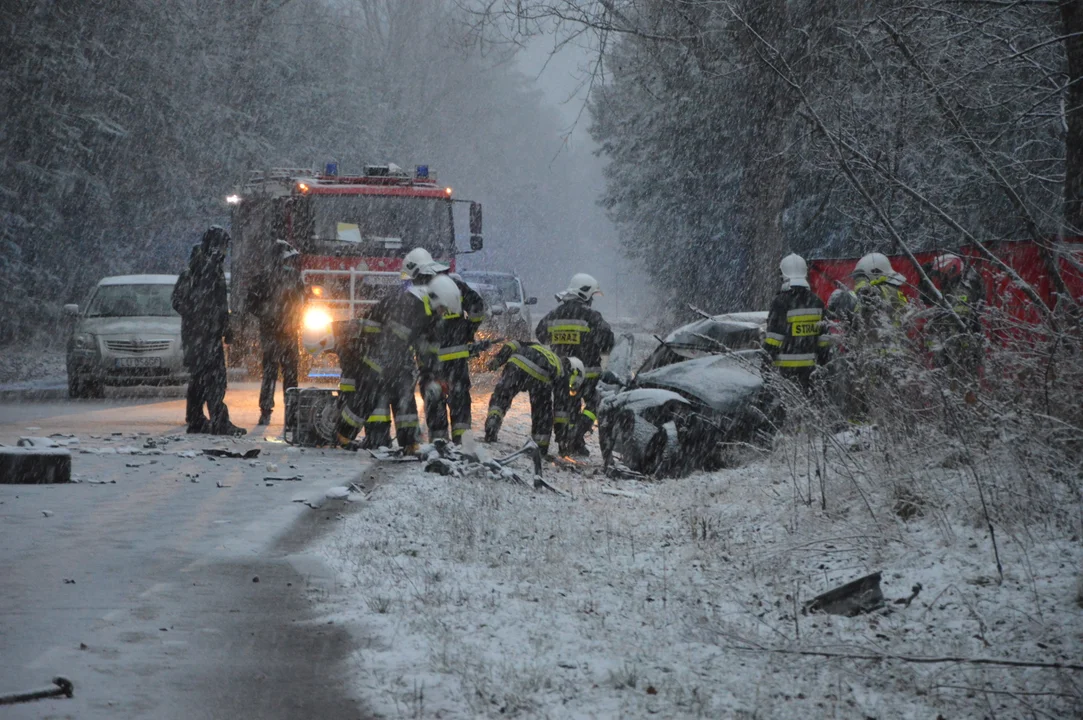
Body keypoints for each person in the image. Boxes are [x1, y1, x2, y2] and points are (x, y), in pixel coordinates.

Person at [332, 274, 461, 452]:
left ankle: (410, 443)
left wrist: (434, 376)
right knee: (368, 392)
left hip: (382, 349)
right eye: (443, 308)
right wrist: (392, 370)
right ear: (435, 299)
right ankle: (342, 435)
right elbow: (391, 343)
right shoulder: (408, 308)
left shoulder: (429, 315)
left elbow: (428, 350)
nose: (443, 312)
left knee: (404, 390)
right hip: (359, 345)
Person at [171, 226, 245, 436]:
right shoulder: (203, 269)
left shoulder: (204, 268)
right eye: (223, 246)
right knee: (214, 379)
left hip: (203, 334)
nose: (225, 252)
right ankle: (218, 421)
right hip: (202, 336)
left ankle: (196, 420)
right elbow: (181, 301)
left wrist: (224, 326)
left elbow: (218, 305)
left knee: (199, 379)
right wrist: (201, 319)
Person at [534, 273, 615, 457]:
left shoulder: (554, 314)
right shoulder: (591, 316)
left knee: (565, 407)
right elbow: (608, 343)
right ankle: (577, 434)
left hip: (561, 372)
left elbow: (541, 335)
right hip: (588, 373)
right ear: (585, 293)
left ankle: (565, 442)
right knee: (594, 404)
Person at [410, 259, 486, 444]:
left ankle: (439, 443)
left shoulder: (420, 294)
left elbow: (414, 326)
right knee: (459, 398)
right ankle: (462, 443)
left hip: (430, 360)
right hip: (457, 356)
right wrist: (469, 329)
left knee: (433, 398)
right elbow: (478, 307)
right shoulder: (457, 287)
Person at [483, 340, 585, 455]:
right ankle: (540, 446)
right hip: (540, 374)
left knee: (502, 395)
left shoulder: (540, 348)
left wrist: (499, 359)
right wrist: (562, 440)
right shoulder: (563, 372)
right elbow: (560, 412)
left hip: (516, 361)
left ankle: (493, 420)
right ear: (575, 372)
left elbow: (514, 343)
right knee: (542, 411)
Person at [247, 240, 305, 426]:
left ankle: (265, 411)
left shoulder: (262, 277)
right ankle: (292, 414)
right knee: (290, 374)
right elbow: (302, 303)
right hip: (288, 331)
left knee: (270, 372)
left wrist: (266, 317)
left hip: (270, 332)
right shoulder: (295, 277)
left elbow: (250, 304)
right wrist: (292, 320)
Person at [762, 254, 829, 394]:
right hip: (811, 374)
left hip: (786, 374)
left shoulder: (781, 302)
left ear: (784, 274)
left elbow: (773, 340)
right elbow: (823, 342)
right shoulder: (816, 302)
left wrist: (764, 366)